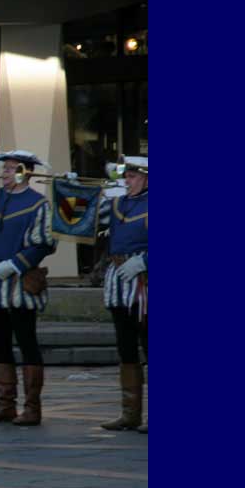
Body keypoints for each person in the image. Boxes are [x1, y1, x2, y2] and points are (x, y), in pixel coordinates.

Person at [0, 150, 57, 427]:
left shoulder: (38, 204)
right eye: (4, 168)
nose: (5, 173)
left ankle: (32, 408)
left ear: (25, 172)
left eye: (11, 169)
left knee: (26, 340)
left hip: (20, 281)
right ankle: (4, 405)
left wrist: (16, 264)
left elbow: (44, 243)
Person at [98, 155, 148, 433]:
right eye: (125, 176)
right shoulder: (117, 203)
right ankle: (130, 413)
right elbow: (86, 221)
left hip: (145, 281)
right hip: (119, 280)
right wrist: (74, 192)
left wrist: (145, 261)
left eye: (133, 176)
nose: (127, 181)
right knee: (125, 346)